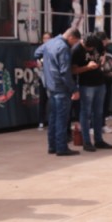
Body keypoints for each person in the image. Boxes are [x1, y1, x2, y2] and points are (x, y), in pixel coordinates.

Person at [34, 28, 81, 157]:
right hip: (61, 87)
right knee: (62, 119)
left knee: (53, 118)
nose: (74, 45)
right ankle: (61, 147)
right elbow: (65, 72)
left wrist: (44, 63)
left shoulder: (50, 43)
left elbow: (36, 53)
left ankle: (52, 146)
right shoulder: (63, 48)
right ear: (71, 37)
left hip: (50, 86)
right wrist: (74, 89)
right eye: (75, 42)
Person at [72, 32, 112, 152]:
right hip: (86, 84)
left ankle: (99, 140)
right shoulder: (76, 50)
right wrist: (87, 67)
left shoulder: (98, 43)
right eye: (88, 48)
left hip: (100, 82)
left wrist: (103, 59)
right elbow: (73, 70)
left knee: (99, 113)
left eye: (92, 48)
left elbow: (103, 52)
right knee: (86, 113)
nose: (90, 49)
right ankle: (86, 141)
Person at [36, 32, 52, 131]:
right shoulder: (39, 51)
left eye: (48, 38)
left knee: (52, 101)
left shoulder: (54, 49)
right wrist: (39, 64)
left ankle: (51, 121)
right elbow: (38, 63)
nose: (46, 40)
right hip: (43, 78)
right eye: (44, 38)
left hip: (52, 79)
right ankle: (41, 122)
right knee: (42, 100)